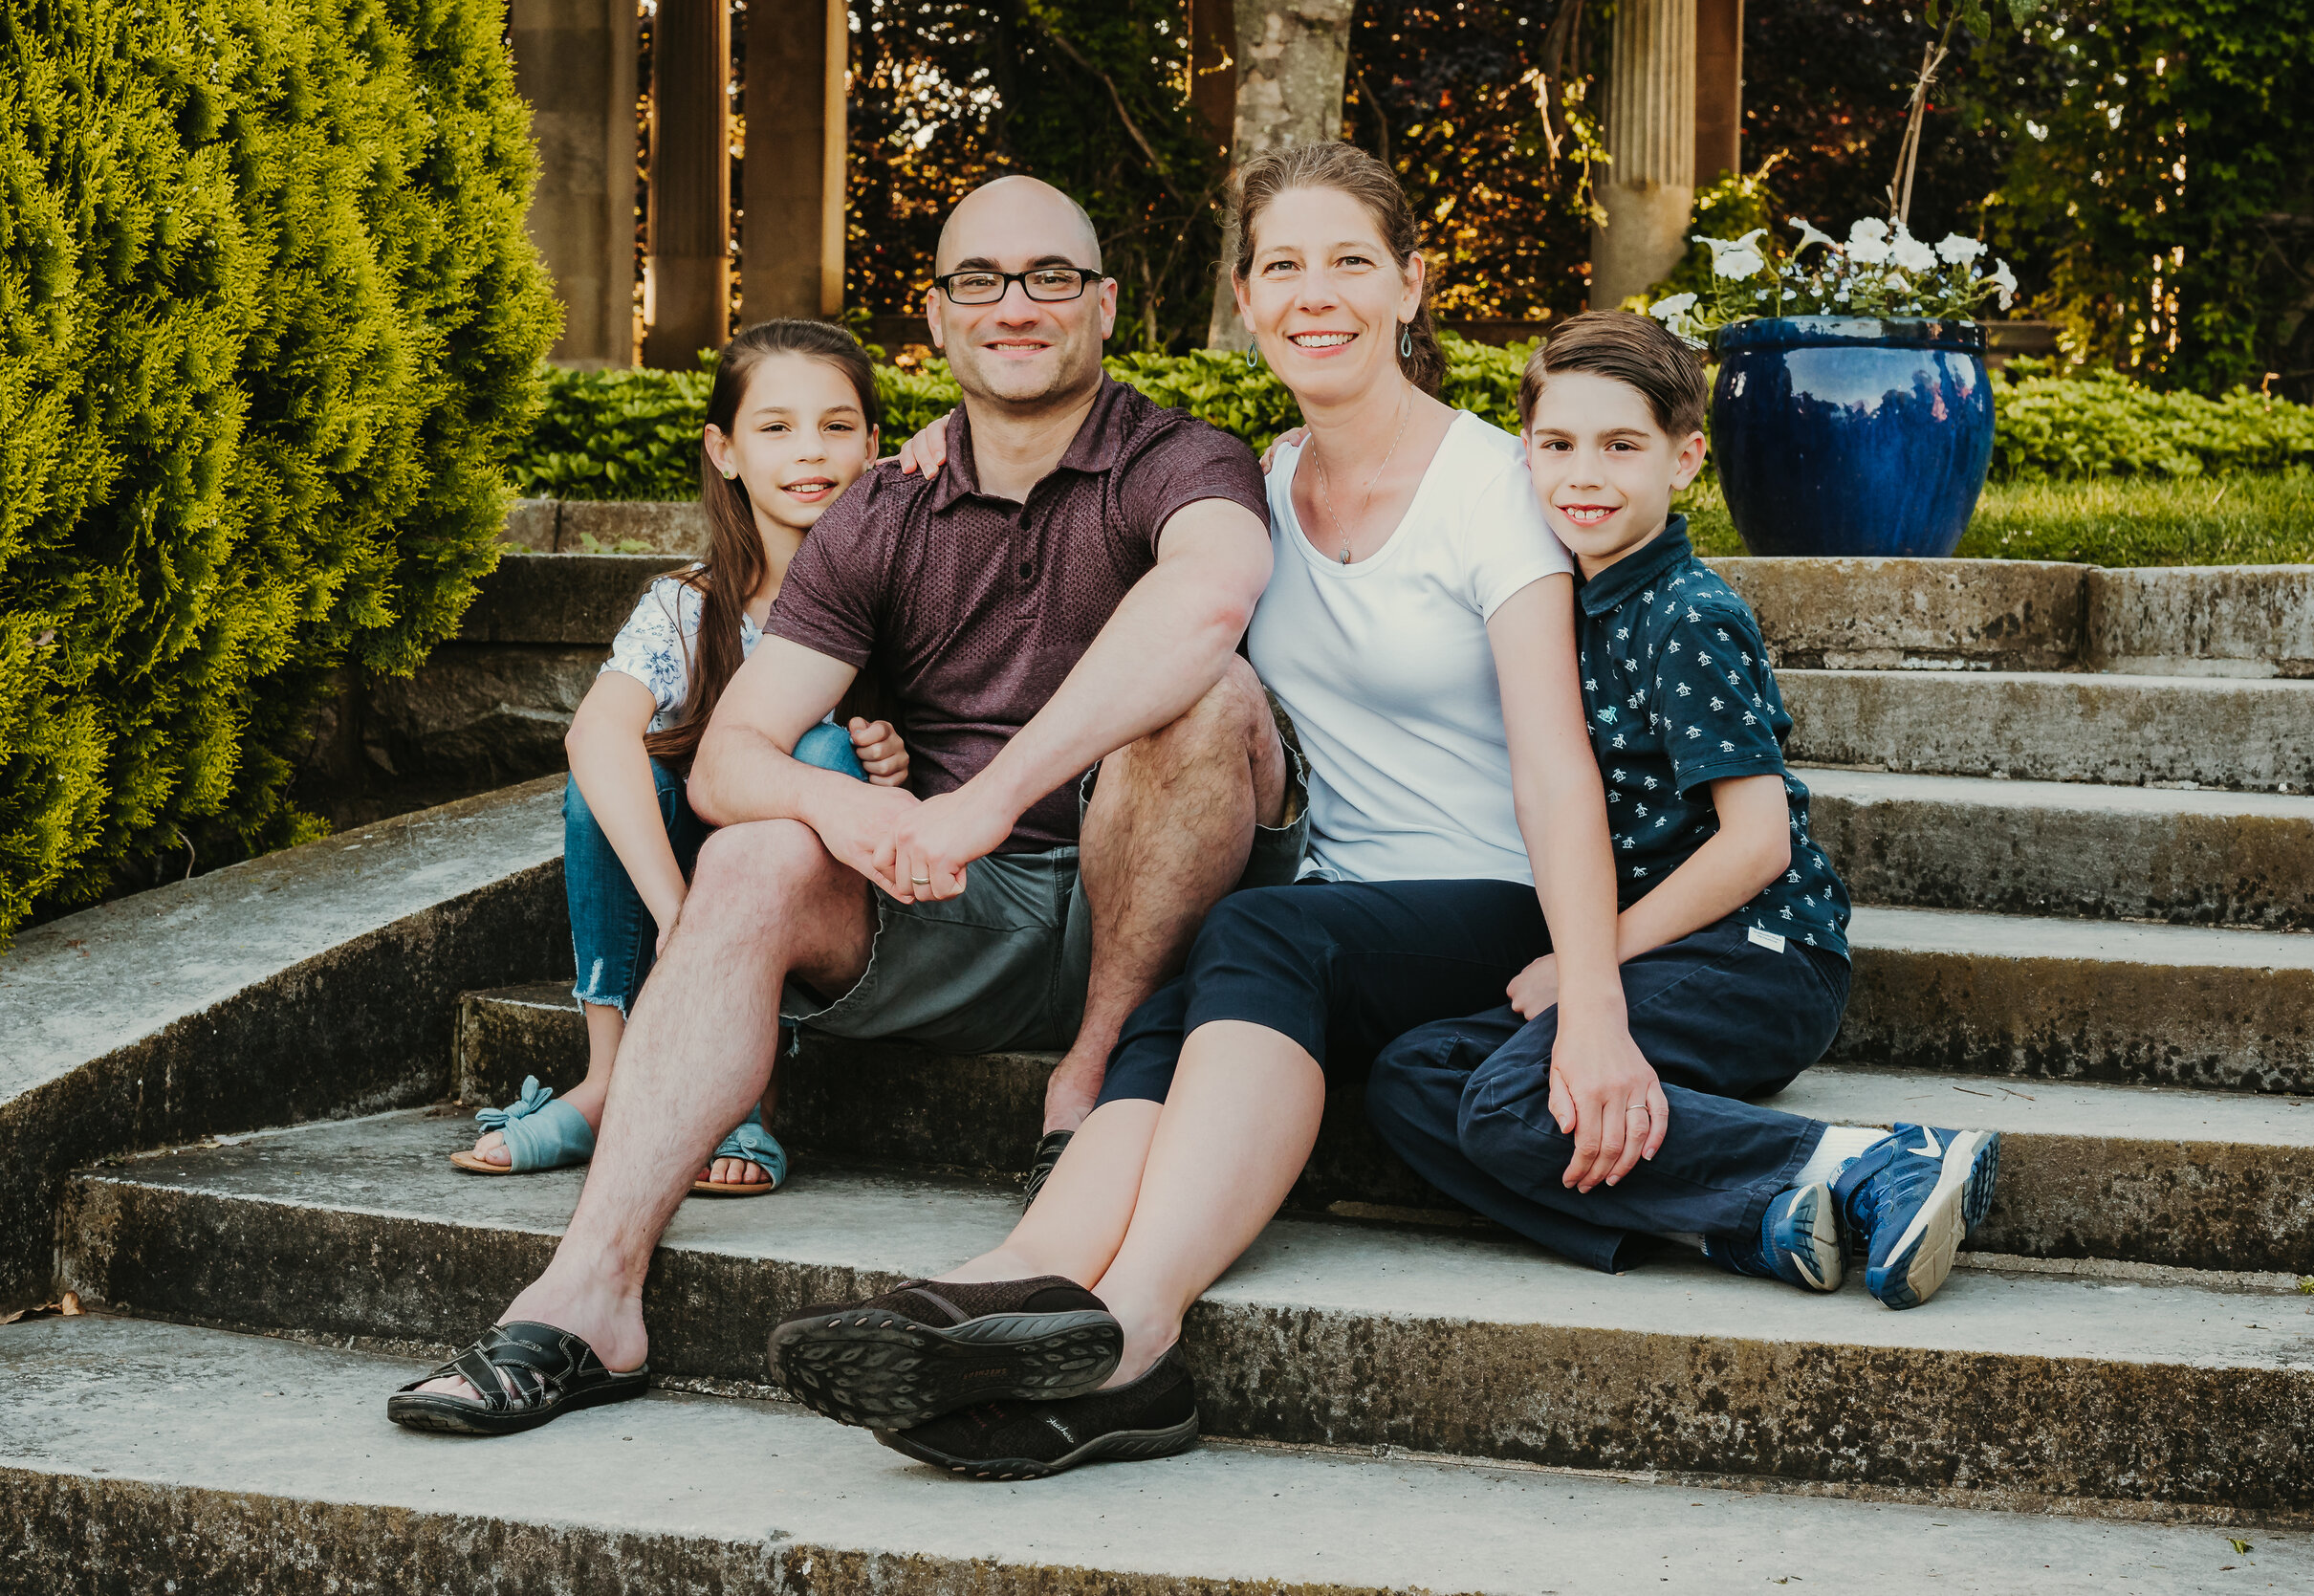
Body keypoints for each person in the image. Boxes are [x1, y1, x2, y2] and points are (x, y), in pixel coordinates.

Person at [768, 142, 1652, 1481]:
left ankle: (1131, 1332)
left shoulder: (1495, 488)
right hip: (1331, 903)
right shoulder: (1260, 481)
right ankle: (1018, 1277)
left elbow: (1555, 766)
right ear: (1245, 301)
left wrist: (1593, 1003)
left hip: (1488, 895)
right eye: (1283, 266)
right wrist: (944, 440)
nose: (1318, 294)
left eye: (1351, 261)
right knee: (1198, 972)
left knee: (1256, 940)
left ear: (1413, 285)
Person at [387, 174, 1301, 1437]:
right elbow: (730, 755)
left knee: (1211, 698)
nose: (1015, 305)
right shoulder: (884, 505)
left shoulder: (1181, 459)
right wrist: (853, 814)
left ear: (1101, 305)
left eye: (1050, 278)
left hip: (1152, 906)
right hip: (947, 906)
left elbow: (1209, 605)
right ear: (935, 316)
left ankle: (1083, 1085)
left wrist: (981, 802)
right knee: (761, 846)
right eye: (980, 279)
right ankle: (588, 1293)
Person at [1364, 311, 1999, 1309]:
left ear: (1685, 458)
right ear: (1521, 456)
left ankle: (1866, 1160)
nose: (1585, 474)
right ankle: (1749, 1218)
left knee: (1505, 1103)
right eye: (1556, 445)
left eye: (1622, 446)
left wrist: (1590, 961)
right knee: (1409, 1077)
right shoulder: (1551, 606)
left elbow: (1754, 844)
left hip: (1754, 957)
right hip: (1655, 955)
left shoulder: (1685, 617)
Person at [450, 318, 909, 1194]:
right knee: (610, 782)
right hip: (697, 900)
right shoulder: (688, 605)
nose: (809, 450)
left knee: (815, 746)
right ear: (724, 449)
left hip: (843, 918)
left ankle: (747, 1089)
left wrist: (896, 757)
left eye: (837, 425)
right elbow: (594, 732)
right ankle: (610, 1077)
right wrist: (682, 916)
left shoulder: (906, 593)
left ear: (874, 447)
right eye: (774, 427)